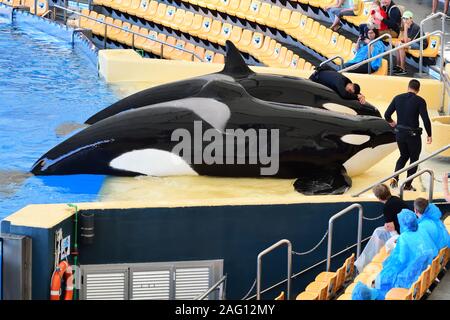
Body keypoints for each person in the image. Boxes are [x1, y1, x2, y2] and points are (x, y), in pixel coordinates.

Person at [355, 210, 438, 299]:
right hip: (421, 270)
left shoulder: (404, 238)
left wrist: (386, 266)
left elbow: (400, 260)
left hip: (409, 276)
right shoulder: (421, 230)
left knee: (381, 280)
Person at [384, 79, 432, 191]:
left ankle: (395, 178)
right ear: (418, 90)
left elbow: (387, 115)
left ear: (408, 87)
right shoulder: (420, 101)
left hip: (400, 134)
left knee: (403, 156)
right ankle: (407, 185)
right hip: (413, 136)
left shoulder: (398, 98)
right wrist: (429, 134)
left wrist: (393, 123)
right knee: (414, 160)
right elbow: (426, 119)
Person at [354, 184, 409, 272]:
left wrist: (395, 238)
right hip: (407, 230)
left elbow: (390, 227)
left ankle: (367, 263)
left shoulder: (387, 206)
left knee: (378, 233)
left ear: (378, 197)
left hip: (401, 234)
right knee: (378, 231)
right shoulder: (396, 199)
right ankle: (367, 261)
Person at [393, 11, 427, 76]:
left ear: (411, 19)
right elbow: (407, 39)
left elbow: (406, 41)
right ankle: (398, 66)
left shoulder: (415, 27)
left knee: (401, 46)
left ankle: (403, 69)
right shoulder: (408, 25)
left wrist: (405, 29)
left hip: (420, 45)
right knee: (397, 44)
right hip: (413, 43)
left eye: (407, 19)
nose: (405, 20)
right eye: (403, 18)